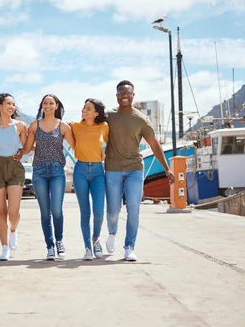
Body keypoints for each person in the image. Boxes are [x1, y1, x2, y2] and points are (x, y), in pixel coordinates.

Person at [104, 80, 174, 261]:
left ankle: (129, 247)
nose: (124, 96)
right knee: (113, 209)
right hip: (112, 168)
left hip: (135, 168)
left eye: (128, 93)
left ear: (133, 96)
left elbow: (154, 145)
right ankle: (112, 233)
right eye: (121, 93)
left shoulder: (141, 119)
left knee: (133, 209)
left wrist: (167, 168)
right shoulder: (108, 116)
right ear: (117, 95)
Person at [21, 94, 75, 260]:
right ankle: (50, 246)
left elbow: (76, 147)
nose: (48, 106)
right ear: (42, 106)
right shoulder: (35, 126)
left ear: (57, 105)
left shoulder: (64, 126)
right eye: (45, 103)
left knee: (56, 210)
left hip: (58, 170)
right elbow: (27, 148)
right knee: (45, 212)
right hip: (39, 171)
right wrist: (17, 149)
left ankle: (59, 241)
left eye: (51, 103)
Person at [0, 93, 27, 261]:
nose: (11, 107)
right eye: (8, 103)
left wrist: (21, 152)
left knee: (13, 213)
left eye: (13, 104)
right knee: (1, 212)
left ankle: (14, 230)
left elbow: (27, 146)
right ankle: (4, 247)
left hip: (15, 167)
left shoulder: (20, 126)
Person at [70, 98, 109, 261]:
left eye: (88, 108)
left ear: (96, 113)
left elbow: (110, 144)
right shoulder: (74, 126)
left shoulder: (104, 127)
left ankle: (95, 239)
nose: (84, 110)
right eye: (84, 107)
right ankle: (87, 247)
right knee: (85, 212)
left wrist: (106, 154)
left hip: (98, 171)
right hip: (80, 170)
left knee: (99, 211)